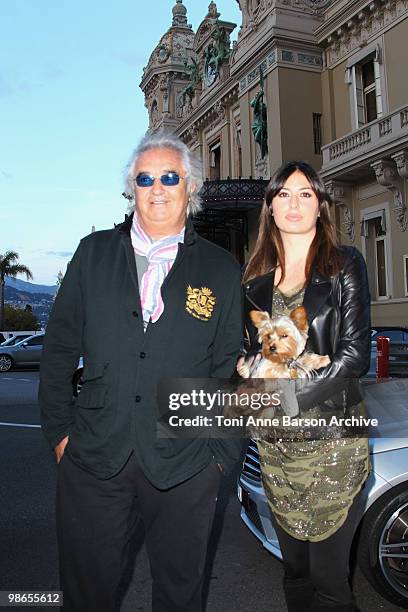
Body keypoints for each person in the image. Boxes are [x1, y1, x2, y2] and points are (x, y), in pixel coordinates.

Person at [39, 132, 243, 612]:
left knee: (180, 594)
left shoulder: (219, 268)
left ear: (189, 187)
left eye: (169, 177)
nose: (157, 187)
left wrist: (219, 457)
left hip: (186, 460)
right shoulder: (93, 254)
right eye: (144, 178)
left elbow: (226, 369)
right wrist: (60, 434)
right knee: (86, 592)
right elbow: (60, 349)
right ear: (131, 189)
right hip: (93, 454)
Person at [239, 161, 371, 612]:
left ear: (320, 206)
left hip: (334, 445)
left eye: (305, 194)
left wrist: (289, 399)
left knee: (329, 582)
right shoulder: (254, 284)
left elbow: (354, 356)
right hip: (276, 454)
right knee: (294, 576)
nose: (293, 204)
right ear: (270, 207)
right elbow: (248, 359)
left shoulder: (344, 264)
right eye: (283, 195)